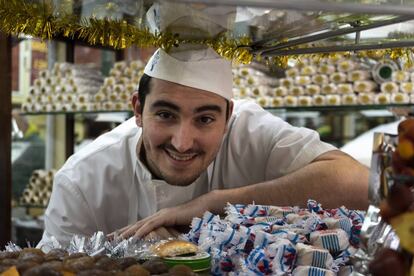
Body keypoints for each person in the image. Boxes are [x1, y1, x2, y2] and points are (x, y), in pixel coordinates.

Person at [38, 47, 369, 247]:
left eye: (205, 119)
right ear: (138, 109)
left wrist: (215, 204)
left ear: (229, 116)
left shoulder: (252, 133)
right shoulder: (83, 180)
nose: (182, 142)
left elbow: (358, 184)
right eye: (166, 114)